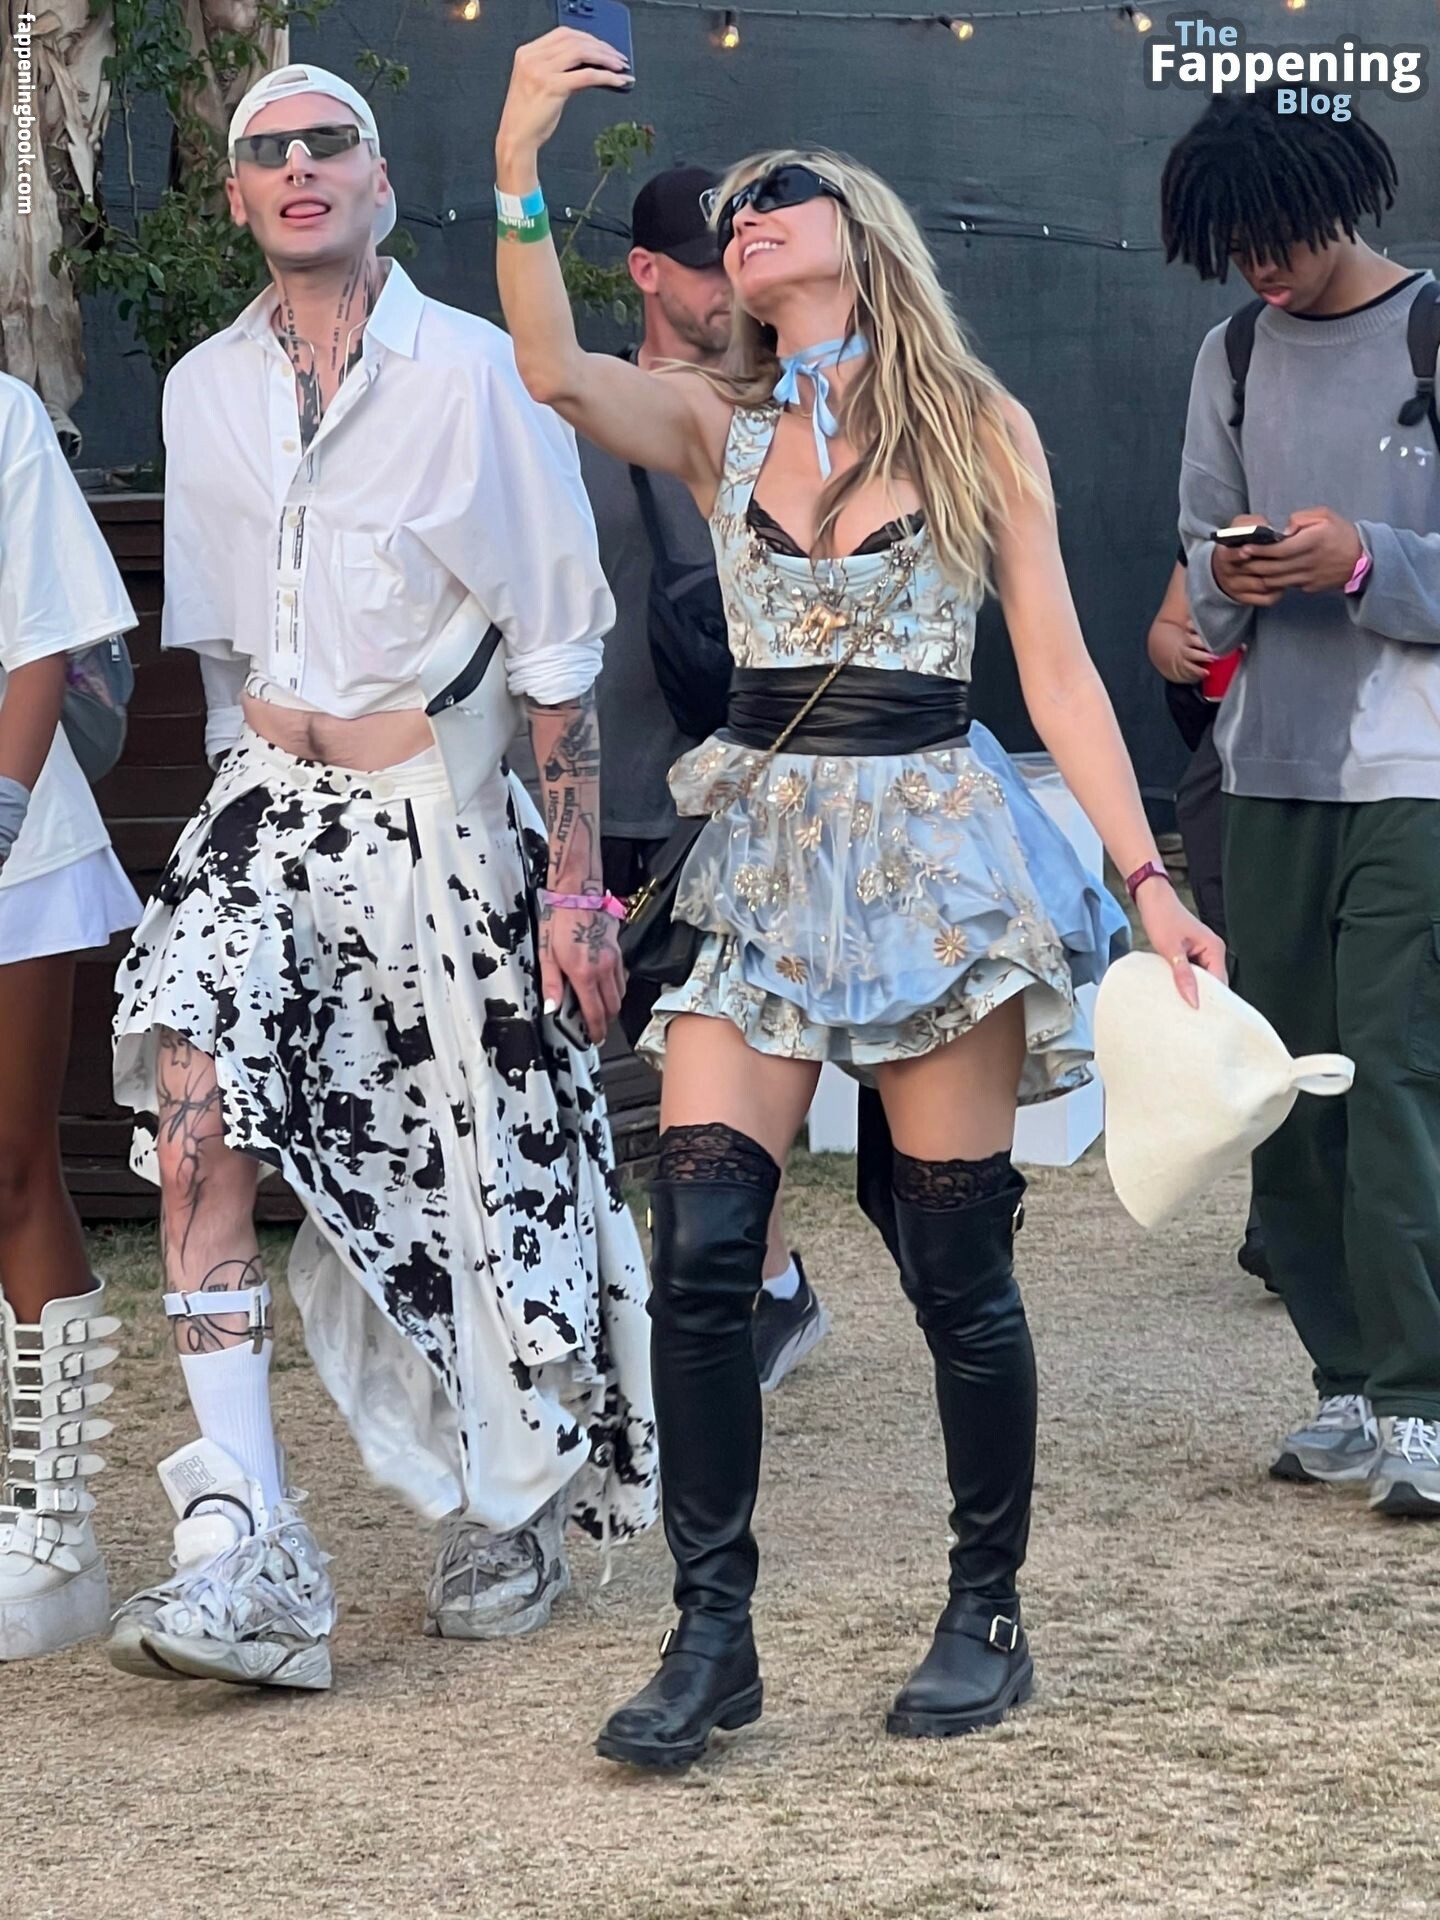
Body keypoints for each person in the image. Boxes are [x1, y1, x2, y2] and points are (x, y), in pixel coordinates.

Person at [494, 25, 1221, 1767]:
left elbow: (1057, 668)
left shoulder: (975, 422)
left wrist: (1146, 877)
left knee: (958, 1266)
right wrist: (516, 157)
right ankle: (710, 1638)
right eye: (733, 212)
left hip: (931, 848)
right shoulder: (717, 419)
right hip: (759, 850)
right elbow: (547, 368)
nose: (748, 216)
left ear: (862, 231)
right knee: (702, 1251)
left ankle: (987, 1614)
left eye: (783, 196)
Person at [106, 62, 657, 1691]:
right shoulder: (201, 390)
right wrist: (230, 829)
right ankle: (247, 1546)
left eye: (328, 143)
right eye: (266, 151)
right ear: (235, 199)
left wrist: (575, 889)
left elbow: (558, 648)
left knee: (462, 1184)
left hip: (440, 819)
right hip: (263, 812)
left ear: (380, 183)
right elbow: (223, 651)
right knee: (196, 1131)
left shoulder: (472, 371)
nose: (299, 167)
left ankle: (509, 1497)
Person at [1164, 90, 1440, 1512]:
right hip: (1263, 769)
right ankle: (1346, 1383)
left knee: (1393, 1077)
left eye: (1278, 236)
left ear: (1344, 199)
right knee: (1284, 1088)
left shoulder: (1429, 329)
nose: (1260, 267)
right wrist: (1225, 579)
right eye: (1235, 247)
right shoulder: (1229, 354)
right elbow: (1197, 563)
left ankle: (1424, 1400)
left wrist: (1364, 560)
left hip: (1416, 775)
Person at [588, 162, 830, 1392]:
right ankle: (720, 1285)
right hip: (603, 794)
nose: (727, 288)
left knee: (720, 1060)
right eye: (701, 266)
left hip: (740, 795)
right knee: (624, 1057)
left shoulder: (794, 409)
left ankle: (761, 1284)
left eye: (740, 259)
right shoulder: (594, 413)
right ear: (646, 273)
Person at [0, 374, 141, 1661]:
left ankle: (56, 1536)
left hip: (14, 857)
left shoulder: (2, 415)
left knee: (11, 1168)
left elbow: (46, 634)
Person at [1146, 557, 1269, 1286]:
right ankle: (1279, 1218)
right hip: (1228, 774)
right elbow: (1165, 631)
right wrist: (1179, 652)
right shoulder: (1221, 530)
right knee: (1258, 994)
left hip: (1354, 777)